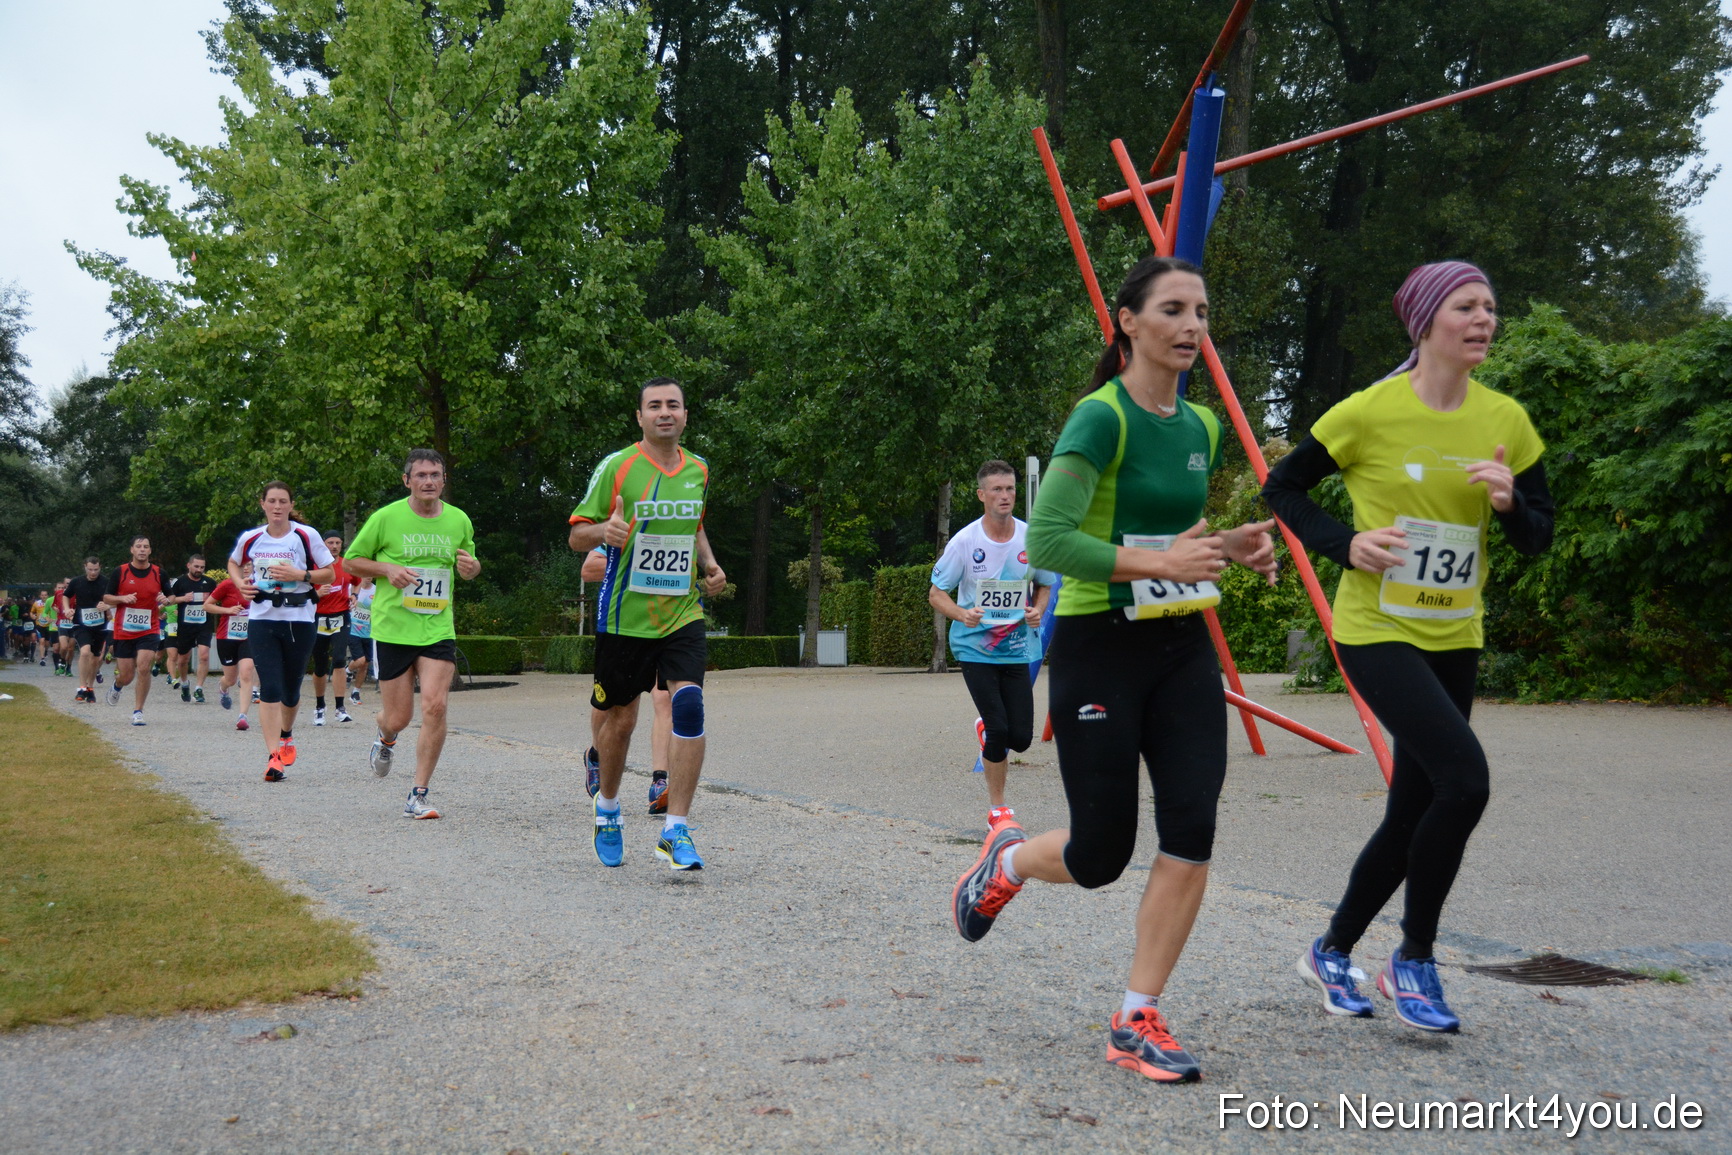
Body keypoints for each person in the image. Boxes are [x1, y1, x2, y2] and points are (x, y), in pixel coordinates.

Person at [950, 257, 1279, 1083]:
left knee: (1193, 825)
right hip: (1100, 647)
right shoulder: (1100, 418)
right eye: (1173, 309)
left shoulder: (1200, 427)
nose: (1193, 326)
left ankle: (1138, 1015)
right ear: (1129, 321)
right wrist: (1155, 555)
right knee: (1101, 853)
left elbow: (1180, 532)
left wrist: (1228, 546)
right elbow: (1051, 544)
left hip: (1181, 646)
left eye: (1202, 311)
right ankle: (1009, 862)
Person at [1263, 261, 1553, 1034]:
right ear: (1426, 320)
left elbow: (1538, 536)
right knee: (1465, 779)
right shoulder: (1369, 411)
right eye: (1468, 306)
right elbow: (1281, 488)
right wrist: (1346, 542)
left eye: (1491, 306)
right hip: (1376, 629)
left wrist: (1509, 501)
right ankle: (1414, 958)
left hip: (1454, 633)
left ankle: (1331, 949)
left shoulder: (1508, 421)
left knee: (1415, 806)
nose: (1485, 318)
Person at [567, 378, 725, 870]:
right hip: (624, 616)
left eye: (672, 405)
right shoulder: (618, 467)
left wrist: (710, 565)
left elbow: (695, 525)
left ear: (685, 415)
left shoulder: (699, 469)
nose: (664, 413)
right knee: (622, 720)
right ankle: (609, 806)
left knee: (690, 705)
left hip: (681, 612)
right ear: (639, 417)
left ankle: (675, 830)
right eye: (654, 406)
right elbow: (577, 536)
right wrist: (603, 531)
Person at [345, 449, 480, 819]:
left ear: (443, 480)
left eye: (435, 475)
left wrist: (472, 567)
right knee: (399, 717)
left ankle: (418, 794)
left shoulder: (459, 520)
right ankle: (386, 736)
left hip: (437, 628)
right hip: (393, 629)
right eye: (420, 475)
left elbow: (468, 566)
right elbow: (351, 561)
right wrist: (388, 568)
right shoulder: (386, 518)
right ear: (407, 480)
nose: (428, 481)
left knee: (435, 706)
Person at [930, 461, 1056, 830]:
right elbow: (937, 594)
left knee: (1021, 739)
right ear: (982, 495)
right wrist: (961, 614)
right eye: (997, 490)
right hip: (976, 648)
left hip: (1018, 647)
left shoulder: (1032, 539)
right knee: (1000, 730)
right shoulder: (965, 542)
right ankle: (998, 808)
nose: (1005, 496)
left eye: (1010, 489)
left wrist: (1038, 610)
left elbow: (1045, 584)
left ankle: (986, 731)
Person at [230, 482, 336, 781]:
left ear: (290, 505)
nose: (277, 507)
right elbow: (233, 562)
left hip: (300, 618)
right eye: (272, 501)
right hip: (263, 618)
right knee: (270, 688)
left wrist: (300, 575)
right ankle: (273, 756)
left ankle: (287, 734)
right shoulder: (251, 537)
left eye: (283, 502)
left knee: (291, 689)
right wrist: (241, 584)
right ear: (262, 504)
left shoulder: (306, 535)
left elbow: (329, 571)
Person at [580, 544, 672, 812]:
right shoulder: (628, 523)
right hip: (624, 622)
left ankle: (660, 782)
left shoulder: (678, 527)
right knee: (613, 708)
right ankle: (596, 755)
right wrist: (640, 563)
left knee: (665, 698)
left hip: (665, 621)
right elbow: (588, 569)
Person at [101, 536, 167, 725]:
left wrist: (166, 600)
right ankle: (117, 685)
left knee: (144, 667)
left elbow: (169, 595)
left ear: (150, 550)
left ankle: (138, 711)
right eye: (138, 546)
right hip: (124, 630)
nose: (142, 550)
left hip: (149, 628)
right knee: (127, 676)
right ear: (132, 550)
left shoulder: (158, 573)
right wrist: (122, 599)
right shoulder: (120, 572)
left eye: (146, 546)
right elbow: (106, 598)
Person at [310, 531, 355, 725]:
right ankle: (320, 707)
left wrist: (354, 596)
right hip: (318, 617)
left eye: (337, 542)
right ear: (323, 544)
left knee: (338, 660)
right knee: (320, 665)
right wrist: (317, 593)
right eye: (330, 542)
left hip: (341, 616)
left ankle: (340, 708)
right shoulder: (314, 566)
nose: (334, 546)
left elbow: (357, 582)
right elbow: (302, 592)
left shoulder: (346, 564)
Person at [204, 573, 256, 730]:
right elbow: (207, 605)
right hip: (227, 637)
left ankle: (243, 716)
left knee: (246, 673)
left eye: (250, 566)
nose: (247, 570)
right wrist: (228, 610)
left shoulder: (260, 586)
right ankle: (223, 687)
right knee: (231, 679)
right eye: (244, 566)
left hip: (249, 637)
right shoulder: (228, 585)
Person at [166, 554, 217, 703]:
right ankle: (184, 683)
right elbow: (169, 600)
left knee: (204, 655)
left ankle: (199, 689)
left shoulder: (210, 583)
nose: (199, 570)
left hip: (204, 625)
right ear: (189, 565)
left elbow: (218, 598)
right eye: (196, 566)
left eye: (202, 567)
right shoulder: (180, 582)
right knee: (183, 660)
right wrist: (183, 599)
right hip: (185, 626)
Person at [66, 558, 108, 702]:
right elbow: (66, 596)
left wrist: (108, 605)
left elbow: (115, 599)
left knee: (96, 658)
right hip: (81, 623)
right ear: (85, 567)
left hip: (100, 625)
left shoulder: (106, 582)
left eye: (96, 569)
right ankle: (82, 688)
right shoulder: (77, 582)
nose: (93, 572)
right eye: (90, 569)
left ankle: (90, 688)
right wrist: (66, 609)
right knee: (85, 652)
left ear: (100, 568)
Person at [346, 576, 374, 700]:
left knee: (365, 664)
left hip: (368, 632)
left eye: (371, 574)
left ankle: (356, 692)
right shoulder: (351, 588)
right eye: (365, 574)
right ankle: (348, 670)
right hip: (352, 630)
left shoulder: (376, 591)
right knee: (360, 660)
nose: (368, 577)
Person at [53, 579, 75, 676]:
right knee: (64, 646)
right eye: (67, 583)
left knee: (71, 648)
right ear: (64, 583)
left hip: (73, 623)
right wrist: (56, 609)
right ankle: (62, 662)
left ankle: (69, 668)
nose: (68, 584)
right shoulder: (58, 593)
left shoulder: (77, 593)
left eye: (70, 583)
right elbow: (54, 605)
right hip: (62, 622)